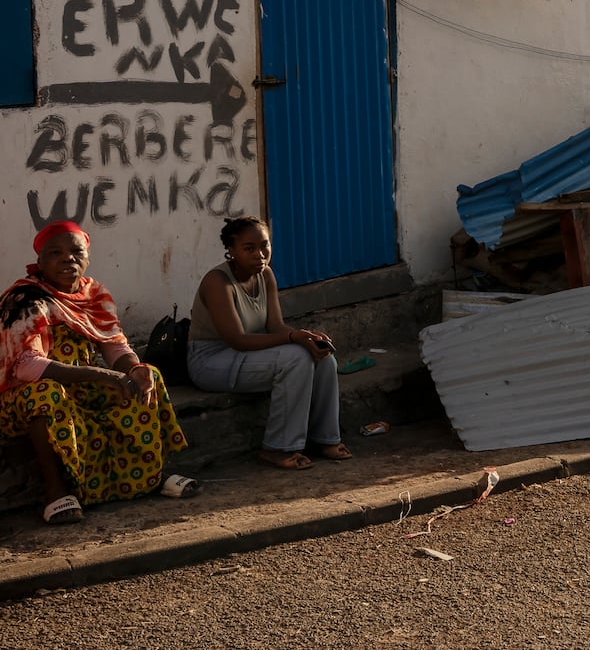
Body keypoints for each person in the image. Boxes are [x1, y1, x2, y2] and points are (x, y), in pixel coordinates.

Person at [0, 221, 196, 524]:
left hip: (79, 388)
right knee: (46, 393)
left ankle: (151, 475)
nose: (68, 259)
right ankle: (56, 491)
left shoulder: (94, 295)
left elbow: (115, 347)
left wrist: (134, 368)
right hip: (21, 397)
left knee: (148, 376)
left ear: (87, 258)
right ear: (39, 262)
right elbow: (27, 367)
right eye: (56, 253)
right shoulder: (25, 300)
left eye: (76, 252)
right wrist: (102, 376)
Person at [187, 217, 350, 470]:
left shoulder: (266, 275)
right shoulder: (217, 282)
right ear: (231, 251)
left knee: (323, 357)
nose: (260, 255)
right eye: (249, 248)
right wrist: (293, 338)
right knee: (296, 359)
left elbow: (276, 327)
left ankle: (324, 438)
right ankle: (277, 447)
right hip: (210, 361)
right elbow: (237, 340)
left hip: (250, 354)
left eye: (265, 246)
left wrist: (305, 336)